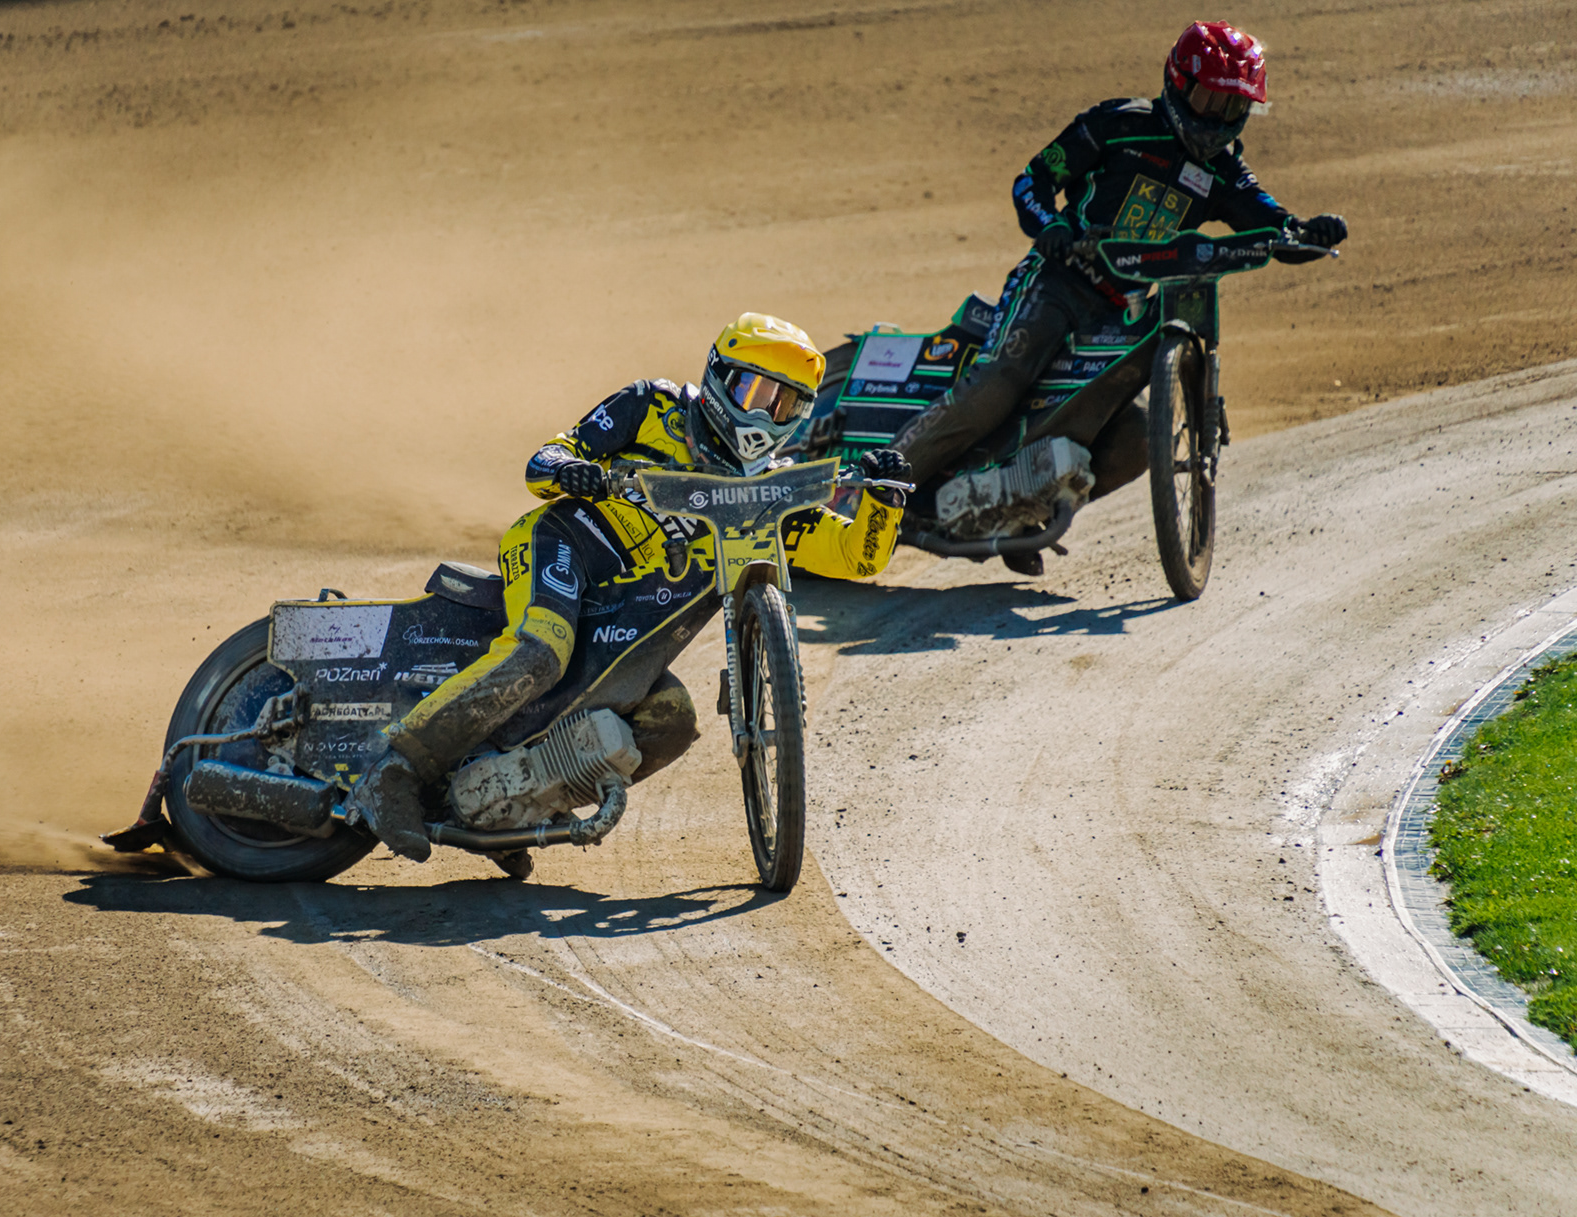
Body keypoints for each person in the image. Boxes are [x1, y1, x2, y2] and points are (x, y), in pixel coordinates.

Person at [347, 314, 911, 861]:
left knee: (672, 722)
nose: (765, 413)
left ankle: (517, 808)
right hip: (566, 542)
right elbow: (546, 458)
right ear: (719, 377)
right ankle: (393, 771)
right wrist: (570, 470)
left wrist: (883, 502)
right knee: (542, 648)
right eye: (754, 391)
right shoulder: (653, 405)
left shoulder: (768, 492)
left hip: (629, 624)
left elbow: (852, 556)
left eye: (784, 404)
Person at [894, 20, 1348, 575]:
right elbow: (1032, 180)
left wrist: (1311, 233)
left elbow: (1274, 227)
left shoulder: (1225, 173)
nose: (1216, 120)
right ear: (1177, 84)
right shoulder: (1117, 125)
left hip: (1123, 314)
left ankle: (1018, 515)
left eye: (1232, 107)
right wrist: (1050, 227)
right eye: (1208, 100)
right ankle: (878, 485)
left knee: (1138, 438)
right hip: (1057, 282)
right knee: (999, 383)